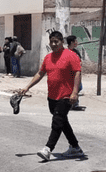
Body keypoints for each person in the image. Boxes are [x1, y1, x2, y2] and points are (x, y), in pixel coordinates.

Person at [20, 31, 84, 161]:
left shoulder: (71, 56)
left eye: (56, 41)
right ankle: (75, 147)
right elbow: (40, 73)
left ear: (62, 42)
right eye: (52, 42)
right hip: (52, 96)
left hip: (66, 95)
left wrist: (75, 92)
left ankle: (48, 149)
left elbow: (77, 73)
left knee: (57, 121)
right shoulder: (48, 58)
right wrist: (27, 86)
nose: (54, 44)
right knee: (62, 121)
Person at [66, 35, 85, 111]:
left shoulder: (76, 52)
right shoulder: (66, 52)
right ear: (72, 42)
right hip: (69, 74)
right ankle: (71, 104)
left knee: (79, 87)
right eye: (76, 41)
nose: (77, 42)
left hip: (77, 74)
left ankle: (74, 104)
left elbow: (80, 62)